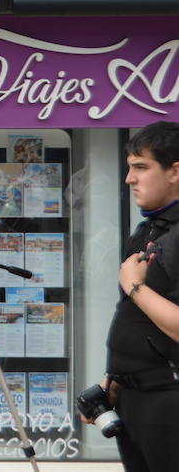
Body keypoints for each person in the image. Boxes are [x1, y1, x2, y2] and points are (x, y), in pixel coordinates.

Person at [88, 121, 179, 472]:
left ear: (174, 172)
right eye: (129, 168)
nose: (129, 179)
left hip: (168, 403)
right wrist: (112, 379)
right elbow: (134, 319)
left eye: (141, 168)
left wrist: (135, 286)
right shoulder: (148, 229)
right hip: (130, 398)